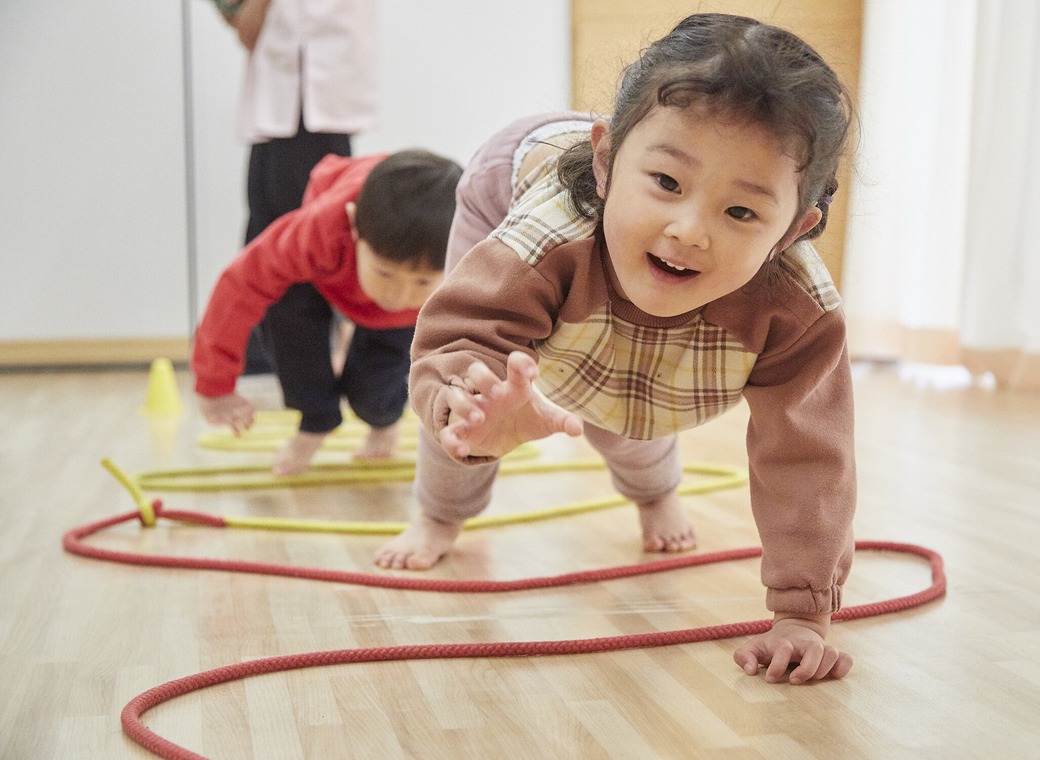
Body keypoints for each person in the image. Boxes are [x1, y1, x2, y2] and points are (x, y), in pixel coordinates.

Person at [377, 13, 857, 685]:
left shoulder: (798, 310)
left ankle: (654, 492)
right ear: (604, 162)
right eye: (667, 183)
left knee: (632, 396)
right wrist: (468, 405)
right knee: (480, 391)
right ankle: (439, 513)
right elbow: (462, 333)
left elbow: (809, 458)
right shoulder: (540, 239)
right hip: (506, 184)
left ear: (794, 230)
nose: (689, 230)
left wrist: (803, 611)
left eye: (741, 212)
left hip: (621, 228)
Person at [192, 150, 463, 475]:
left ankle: (383, 421)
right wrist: (215, 385)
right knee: (290, 315)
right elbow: (241, 285)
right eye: (385, 273)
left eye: (421, 281)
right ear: (353, 225)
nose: (397, 295)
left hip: (406, 318)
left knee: (375, 395)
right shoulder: (322, 229)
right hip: (324, 277)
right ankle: (315, 421)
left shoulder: (469, 254)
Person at [216, 0, 380, 374]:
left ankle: (314, 365)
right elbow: (242, 26)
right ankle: (275, 359)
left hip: (317, 102)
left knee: (308, 242)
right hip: (284, 103)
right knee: (272, 238)